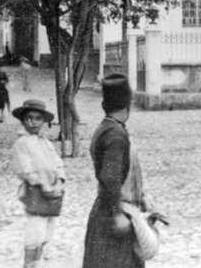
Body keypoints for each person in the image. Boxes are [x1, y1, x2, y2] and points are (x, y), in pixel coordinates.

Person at [82, 73, 165, 268]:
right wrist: (116, 214)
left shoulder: (108, 128)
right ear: (128, 105)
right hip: (114, 216)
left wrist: (141, 197)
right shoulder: (115, 136)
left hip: (108, 212)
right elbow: (110, 177)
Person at [12, 98, 65, 267]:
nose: (33, 122)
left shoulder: (45, 142)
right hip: (35, 191)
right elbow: (25, 169)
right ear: (23, 120)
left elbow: (57, 163)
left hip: (52, 193)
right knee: (35, 232)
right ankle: (29, 264)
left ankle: (37, 262)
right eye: (29, 118)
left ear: (43, 121)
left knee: (47, 233)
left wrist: (59, 181)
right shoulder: (22, 143)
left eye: (38, 118)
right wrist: (42, 184)